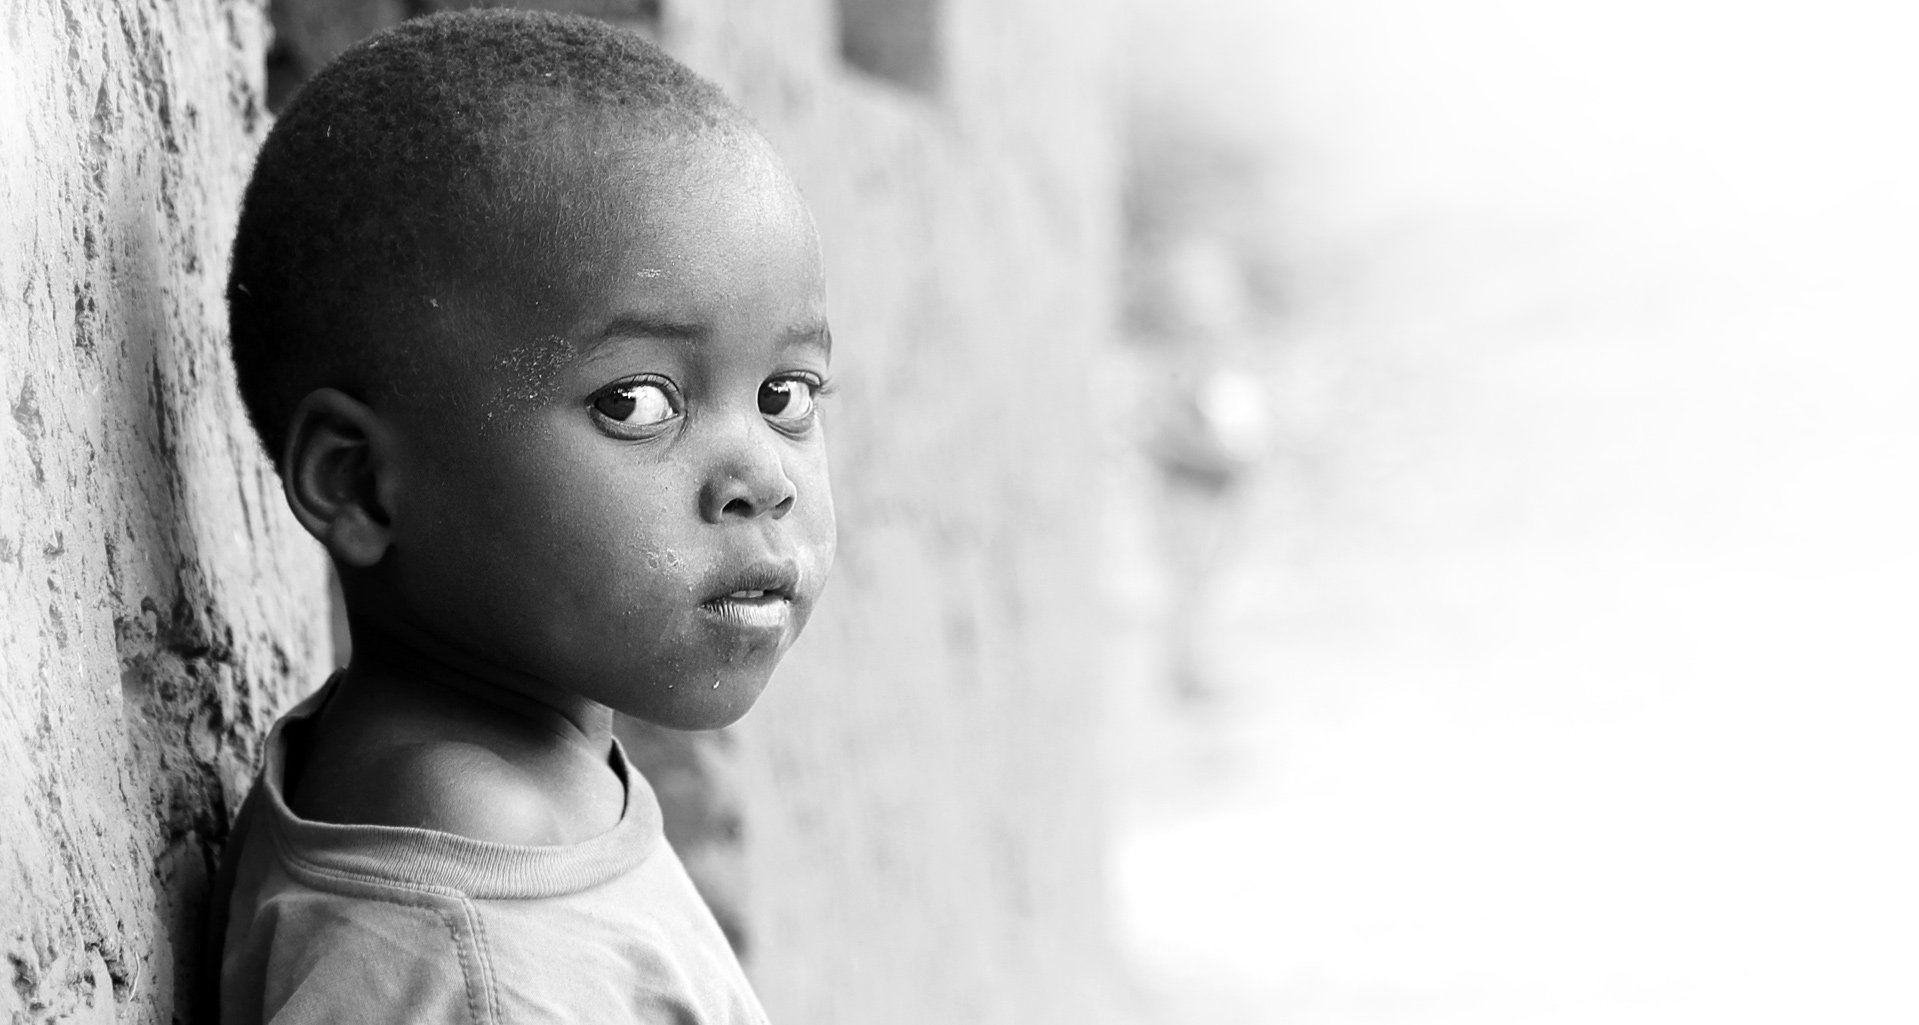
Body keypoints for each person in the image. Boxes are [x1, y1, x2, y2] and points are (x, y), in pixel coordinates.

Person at [207, 11, 835, 1023]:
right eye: (636, 402)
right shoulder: (470, 937)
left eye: (786, 395)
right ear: (359, 482)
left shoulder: (528, 790)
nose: (762, 477)